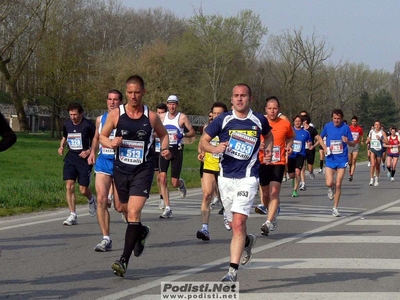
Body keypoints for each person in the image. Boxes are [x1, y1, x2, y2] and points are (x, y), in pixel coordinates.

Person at [199, 83, 273, 283]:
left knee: (239, 222)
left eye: (243, 96)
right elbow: (203, 141)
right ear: (231, 99)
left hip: (248, 177)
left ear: (250, 98)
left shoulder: (259, 120)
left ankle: (231, 272)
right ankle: (247, 241)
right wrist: (214, 150)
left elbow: (269, 136)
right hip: (225, 178)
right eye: (236, 96)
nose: (240, 99)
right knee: (233, 224)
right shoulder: (223, 120)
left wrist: (267, 150)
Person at [99, 75, 171, 277]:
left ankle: (123, 260)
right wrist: (111, 143)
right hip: (121, 170)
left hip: (143, 170)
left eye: (137, 92)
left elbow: (163, 134)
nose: (133, 96)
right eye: (129, 92)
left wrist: (164, 149)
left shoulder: (151, 117)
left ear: (143, 92)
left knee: (133, 212)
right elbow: (103, 136)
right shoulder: (116, 115)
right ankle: (140, 232)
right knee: (121, 207)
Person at [88, 90, 124, 252]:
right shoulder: (100, 119)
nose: (112, 102)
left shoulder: (126, 119)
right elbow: (97, 137)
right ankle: (106, 238)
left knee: (119, 207)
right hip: (103, 162)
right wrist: (92, 152)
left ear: (121, 102)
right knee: (101, 199)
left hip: (122, 163)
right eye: (109, 99)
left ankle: (132, 221)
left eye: (115, 99)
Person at [255, 96, 294, 236]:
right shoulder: (259, 122)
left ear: (279, 109)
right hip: (263, 161)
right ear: (266, 109)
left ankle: (268, 222)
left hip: (278, 161)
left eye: (275, 108)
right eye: (270, 108)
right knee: (265, 194)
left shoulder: (285, 123)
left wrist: (289, 146)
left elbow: (290, 136)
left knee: (274, 192)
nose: (272, 111)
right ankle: (272, 213)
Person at [58, 102, 96, 226]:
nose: (73, 117)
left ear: (81, 114)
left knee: (83, 189)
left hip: (84, 159)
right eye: (70, 114)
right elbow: (65, 136)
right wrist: (61, 147)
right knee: (69, 185)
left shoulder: (88, 125)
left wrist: (89, 151)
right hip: (71, 157)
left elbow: (97, 141)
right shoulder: (67, 124)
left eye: (75, 114)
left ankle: (91, 200)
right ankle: (72, 214)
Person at [158, 95, 196, 218]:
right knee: (162, 178)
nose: (172, 106)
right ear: (167, 105)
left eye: (174, 104)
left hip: (176, 150)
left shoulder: (182, 117)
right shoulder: (162, 117)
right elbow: (155, 131)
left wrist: (182, 134)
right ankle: (167, 207)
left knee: (174, 182)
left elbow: (192, 132)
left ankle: (181, 184)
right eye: (169, 104)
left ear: (177, 105)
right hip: (164, 149)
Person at [197, 102, 228, 241]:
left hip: (225, 166)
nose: (216, 116)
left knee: (225, 197)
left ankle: (229, 215)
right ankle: (205, 228)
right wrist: (201, 152)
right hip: (209, 165)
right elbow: (201, 144)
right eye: (214, 113)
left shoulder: (229, 128)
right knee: (206, 195)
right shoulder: (208, 128)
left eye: (219, 114)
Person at [316, 109, 355, 217]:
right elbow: (319, 137)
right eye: (334, 118)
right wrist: (324, 148)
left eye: (338, 119)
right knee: (329, 183)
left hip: (342, 160)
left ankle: (335, 208)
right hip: (330, 159)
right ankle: (330, 188)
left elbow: (352, 143)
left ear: (341, 118)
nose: (336, 120)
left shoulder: (346, 128)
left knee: (338, 184)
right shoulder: (328, 126)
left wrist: (347, 141)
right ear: (332, 118)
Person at [288, 115, 311, 197]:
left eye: (299, 121)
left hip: (301, 154)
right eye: (296, 121)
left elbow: (309, 141)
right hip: (290, 155)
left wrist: (310, 144)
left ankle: (295, 190)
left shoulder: (305, 132)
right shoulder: (290, 131)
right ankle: (293, 180)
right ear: (293, 122)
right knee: (291, 175)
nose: (297, 122)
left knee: (297, 172)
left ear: (301, 122)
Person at [154, 102, 168, 210]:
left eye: (162, 113)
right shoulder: (153, 121)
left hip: (165, 151)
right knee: (159, 177)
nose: (160, 115)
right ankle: (161, 198)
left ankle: (179, 183)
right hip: (155, 150)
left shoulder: (167, 122)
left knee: (165, 177)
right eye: (158, 112)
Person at [299, 111, 319, 190]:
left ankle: (311, 172)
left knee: (309, 167)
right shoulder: (299, 129)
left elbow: (318, 139)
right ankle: (303, 183)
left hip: (310, 150)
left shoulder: (312, 129)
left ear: (305, 121)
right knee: (302, 167)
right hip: (302, 150)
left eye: (302, 120)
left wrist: (313, 146)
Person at [366, 120, 387, 187]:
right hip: (373, 149)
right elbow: (368, 138)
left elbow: (387, 141)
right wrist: (367, 140)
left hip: (379, 150)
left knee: (377, 166)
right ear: (374, 125)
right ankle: (371, 179)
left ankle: (377, 178)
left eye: (378, 125)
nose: (377, 126)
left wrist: (381, 139)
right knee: (373, 164)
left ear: (380, 126)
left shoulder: (382, 132)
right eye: (376, 125)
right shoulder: (371, 132)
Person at [347, 116, 364, 181]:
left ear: (357, 122)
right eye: (353, 121)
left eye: (355, 121)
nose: (354, 122)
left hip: (356, 145)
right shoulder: (349, 128)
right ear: (351, 122)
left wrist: (362, 141)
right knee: (350, 161)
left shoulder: (359, 129)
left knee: (354, 160)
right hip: (349, 145)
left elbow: (361, 135)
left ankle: (351, 175)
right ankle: (350, 167)